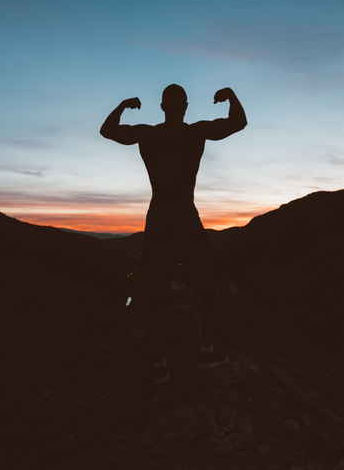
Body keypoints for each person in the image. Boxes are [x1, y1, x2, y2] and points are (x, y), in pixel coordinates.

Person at [100, 84, 247, 384]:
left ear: (164, 107)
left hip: (158, 221)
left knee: (154, 298)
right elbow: (238, 122)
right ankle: (207, 353)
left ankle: (159, 366)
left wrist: (123, 105)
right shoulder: (196, 132)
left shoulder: (148, 134)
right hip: (185, 218)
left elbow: (107, 130)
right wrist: (231, 96)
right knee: (209, 290)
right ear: (186, 106)